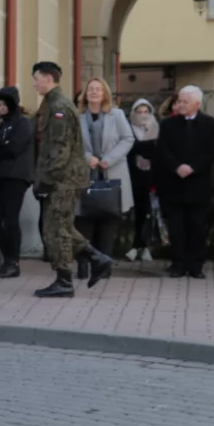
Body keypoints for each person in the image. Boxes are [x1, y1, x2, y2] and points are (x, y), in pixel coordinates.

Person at [30, 62, 113, 297]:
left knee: (56, 230)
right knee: (61, 228)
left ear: (47, 78)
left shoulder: (58, 107)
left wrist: (45, 181)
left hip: (62, 180)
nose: (34, 83)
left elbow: (59, 150)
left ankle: (64, 280)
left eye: (36, 78)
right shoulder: (54, 103)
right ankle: (98, 258)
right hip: (63, 179)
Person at [154, 85, 214, 278]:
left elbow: (212, 151)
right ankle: (178, 263)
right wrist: (177, 166)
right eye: (179, 101)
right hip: (173, 183)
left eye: (185, 101)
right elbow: (163, 150)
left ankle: (196, 265)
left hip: (198, 183)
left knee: (197, 226)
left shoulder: (211, 124)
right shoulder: (168, 124)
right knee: (176, 227)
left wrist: (193, 167)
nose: (180, 105)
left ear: (197, 104)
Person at [73, 77, 134, 278]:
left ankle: (104, 266)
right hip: (85, 173)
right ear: (85, 93)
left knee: (107, 222)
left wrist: (109, 159)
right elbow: (72, 143)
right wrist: (87, 158)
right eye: (90, 88)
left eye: (98, 89)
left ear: (105, 93)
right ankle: (83, 266)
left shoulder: (116, 115)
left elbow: (128, 139)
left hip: (111, 172)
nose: (94, 92)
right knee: (83, 222)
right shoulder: (78, 116)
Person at [0, 86, 34, 278]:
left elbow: (14, 149)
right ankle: (9, 259)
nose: (0, 107)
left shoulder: (23, 123)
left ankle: (13, 262)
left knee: (10, 220)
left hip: (16, 177)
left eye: (4, 104)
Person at [125, 99, 159, 262]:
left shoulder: (156, 127)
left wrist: (142, 147)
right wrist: (145, 147)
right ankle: (133, 246)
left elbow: (157, 151)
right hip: (131, 176)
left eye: (146, 111)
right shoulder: (128, 128)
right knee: (133, 214)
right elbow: (130, 148)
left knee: (147, 214)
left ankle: (143, 246)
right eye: (139, 112)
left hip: (151, 178)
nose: (143, 115)